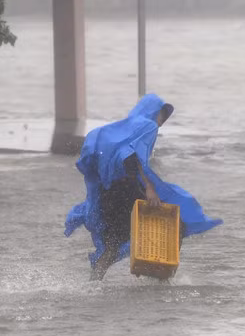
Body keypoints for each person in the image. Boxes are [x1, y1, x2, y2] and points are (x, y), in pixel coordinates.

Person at [65, 94, 223, 281]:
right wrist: (149, 188)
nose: (163, 120)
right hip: (127, 191)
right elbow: (131, 154)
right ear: (153, 111)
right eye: (162, 114)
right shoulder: (148, 126)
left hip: (109, 193)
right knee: (173, 223)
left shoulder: (125, 127)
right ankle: (161, 277)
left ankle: (94, 283)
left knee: (114, 244)